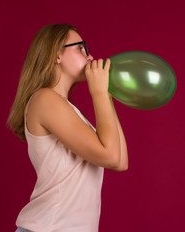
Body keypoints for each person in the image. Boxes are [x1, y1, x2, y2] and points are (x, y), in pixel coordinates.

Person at [7, 23, 128, 232]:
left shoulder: (68, 110)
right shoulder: (44, 99)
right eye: (80, 48)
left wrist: (106, 95)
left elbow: (120, 161)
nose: (90, 56)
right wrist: (98, 94)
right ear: (56, 55)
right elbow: (110, 156)